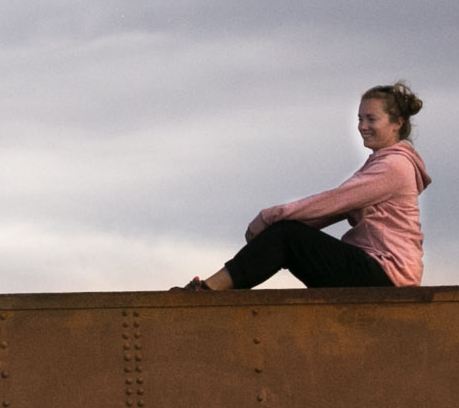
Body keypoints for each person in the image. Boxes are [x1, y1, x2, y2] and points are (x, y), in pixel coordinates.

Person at [183, 82, 427, 291]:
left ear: (397, 123)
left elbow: (332, 203)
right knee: (287, 233)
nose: (362, 126)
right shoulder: (382, 163)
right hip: (379, 271)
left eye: (371, 119)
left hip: (386, 274)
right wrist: (275, 229)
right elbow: (329, 212)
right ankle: (212, 289)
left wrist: (270, 218)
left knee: (286, 235)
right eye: (360, 119)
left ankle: (208, 290)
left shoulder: (393, 166)